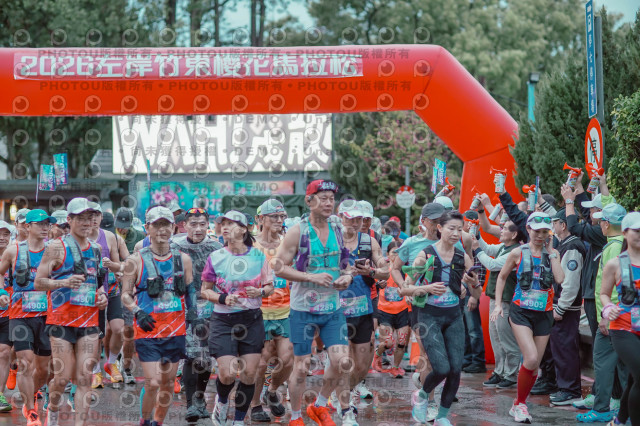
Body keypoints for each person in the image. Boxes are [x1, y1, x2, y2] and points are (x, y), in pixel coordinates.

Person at [273, 179, 356, 426]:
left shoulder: (339, 228)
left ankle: (319, 404)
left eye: (332, 198)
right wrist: (311, 277)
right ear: (309, 201)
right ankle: (296, 416)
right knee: (301, 366)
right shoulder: (298, 231)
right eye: (323, 198)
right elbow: (278, 267)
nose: (329, 203)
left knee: (342, 362)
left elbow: (347, 263)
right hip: (303, 310)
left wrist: (347, 276)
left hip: (332, 308)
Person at [35, 198, 109, 426]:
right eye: (81, 218)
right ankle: (53, 409)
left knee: (85, 377)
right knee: (62, 378)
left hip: (89, 322)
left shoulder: (96, 250)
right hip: (61, 322)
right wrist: (63, 283)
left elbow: (97, 284)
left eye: (90, 218)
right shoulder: (56, 247)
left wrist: (102, 297)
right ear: (69, 220)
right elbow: (38, 282)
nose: (87, 223)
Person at [120, 206, 196, 426]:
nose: (162, 230)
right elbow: (125, 294)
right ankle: (145, 421)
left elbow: (190, 289)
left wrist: (194, 314)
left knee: (168, 383)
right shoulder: (135, 260)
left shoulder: (183, 259)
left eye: (166, 225)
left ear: (174, 227)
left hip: (175, 330)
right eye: (157, 225)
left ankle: (158, 422)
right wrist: (137, 311)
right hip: (148, 330)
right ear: (147, 228)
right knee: (153, 382)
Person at [200, 210, 274, 426]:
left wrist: (260, 292)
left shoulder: (258, 257)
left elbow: (270, 287)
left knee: (250, 373)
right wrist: (223, 298)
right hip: (223, 321)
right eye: (223, 223)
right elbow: (205, 290)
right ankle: (222, 402)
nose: (225, 227)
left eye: (231, 224)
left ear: (243, 229)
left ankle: (239, 420)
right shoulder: (216, 257)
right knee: (228, 373)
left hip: (251, 319)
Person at [407, 210, 480, 426]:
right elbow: (406, 288)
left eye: (459, 229)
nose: (456, 233)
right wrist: (427, 288)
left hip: (454, 316)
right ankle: (422, 395)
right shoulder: (426, 255)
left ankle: (441, 417)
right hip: (429, 316)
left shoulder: (462, 257)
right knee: (441, 368)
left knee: (456, 370)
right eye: (451, 228)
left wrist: (473, 283)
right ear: (439, 228)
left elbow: (477, 293)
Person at [491, 212, 564, 423]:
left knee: (534, 365)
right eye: (537, 231)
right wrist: (498, 304)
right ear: (528, 229)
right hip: (520, 311)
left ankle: (518, 403)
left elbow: (560, 278)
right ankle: (521, 404)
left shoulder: (553, 253)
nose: (540, 236)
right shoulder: (517, 253)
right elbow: (502, 277)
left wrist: (552, 253)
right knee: (530, 358)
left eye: (545, 232)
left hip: (544, 313)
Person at [0, 210, 57, 426]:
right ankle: (31, 411)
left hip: (46, 316)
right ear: (27, 226)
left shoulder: (54, 251)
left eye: (47, 224)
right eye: (40, 224)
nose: (45, 227)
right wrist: (2, 292)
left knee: (44, 369)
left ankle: (31, 392)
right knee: (24, 362)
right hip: (19, 315)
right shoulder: (14, 250)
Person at [170, 207, 223, 423]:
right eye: (193, 224)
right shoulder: (175, 247)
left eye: (202, 224)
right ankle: (191, 404)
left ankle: (200, 398)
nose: (198, 229)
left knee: (206, 356)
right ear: (184, 225)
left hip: (210, 305)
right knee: (192, 355)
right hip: (185, 305)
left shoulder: (216, 247)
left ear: (208, 225)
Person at [577, 201, 628, 423]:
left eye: (601, 221)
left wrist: (606, 317)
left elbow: (613, 289)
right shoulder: (619, 245)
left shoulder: (614, 248)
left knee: (604, 364)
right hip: (618, 318)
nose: (599, 225)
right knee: (622, 367)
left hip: (612, 319)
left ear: (606, 224)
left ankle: (602, 409)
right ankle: (625, 412)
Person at [338, 200, 388, 405]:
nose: (356, 222)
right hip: (336, 309)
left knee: (361, 364)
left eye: (359, 219)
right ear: (341, 217)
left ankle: (347, 390)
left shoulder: (369, 241)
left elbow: (385, 271)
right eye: (351, 218)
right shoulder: (331, 240)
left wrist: (371, 272)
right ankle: (342, 399)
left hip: (363, 309)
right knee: (342, 359)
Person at [248, 199, 292, 422]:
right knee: (262, 361)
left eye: (282, 216)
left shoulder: (287, 243)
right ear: (260, 219)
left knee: (288, 359)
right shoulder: (250, 245)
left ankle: (272, 391)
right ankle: (255, 405)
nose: (279, 220)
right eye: (274, 216)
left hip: (285, 310)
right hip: (259, 311)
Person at [473, 220, 525, 389]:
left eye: (504, 228)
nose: (500, 230)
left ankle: (511, 374)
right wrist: (477, 236)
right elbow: (488, 249)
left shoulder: (515, 251)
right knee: (496, 338)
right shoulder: (504, 247)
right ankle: (500, 371)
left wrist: (476, 249)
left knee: (506, 339)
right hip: (496, 299)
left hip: (506, 301)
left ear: (514, 234)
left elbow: (492, 265)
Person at [600, 211, 640, 426]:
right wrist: (608, 309)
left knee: (635, 378)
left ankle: (619, 420)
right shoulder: (615, 264)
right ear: (625, 233)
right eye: (637, 231)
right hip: (623, 328)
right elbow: (604, 294)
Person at [548, 209, 586, 405]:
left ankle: (570, 389)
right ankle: (565, 387)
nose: (552, 227)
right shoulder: (565, 244)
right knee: (560, 348)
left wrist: (561, 308)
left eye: (555, 223)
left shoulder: (572, 247)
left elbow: (570, 283)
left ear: (563, 225)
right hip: (561, 305)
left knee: (565, 348)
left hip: (566, 308)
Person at [89, 205, 126, 389]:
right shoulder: (80, 238)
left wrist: (111, 265)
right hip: (91, 292)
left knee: (119, 329)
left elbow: (119, 266)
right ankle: (95, 371)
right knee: (96, 335)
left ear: (101, 217)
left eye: (97, 215)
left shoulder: (110, 237)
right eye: (90, 216)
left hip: (111, 289)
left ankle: (111, 363)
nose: (93, 219)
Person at [373, 241, 410, 378]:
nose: (397, 255)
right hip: (385, 311)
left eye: (400, 252)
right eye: (394, 252)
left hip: (402, 311)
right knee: (388, 343)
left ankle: (395, 368)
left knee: (401, 342)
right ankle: (377, 354)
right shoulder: (382, 271)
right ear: (388, 254)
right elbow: (373, 286)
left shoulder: (406, 270)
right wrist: (378, 284)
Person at [461, 210, 487, 374]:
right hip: (462, 290)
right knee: (465, 328)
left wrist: (474, 296)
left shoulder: (476, 241)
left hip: (472, 290)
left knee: (473, 329)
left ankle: (478, 361)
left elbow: (480, 270)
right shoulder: (462, 240)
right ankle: (467, 359)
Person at [0, 221, 13, 412]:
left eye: (5, 234)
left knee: (3, 353)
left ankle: (0, 395)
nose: (2, 238)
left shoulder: (16, 256)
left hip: (10, 313)